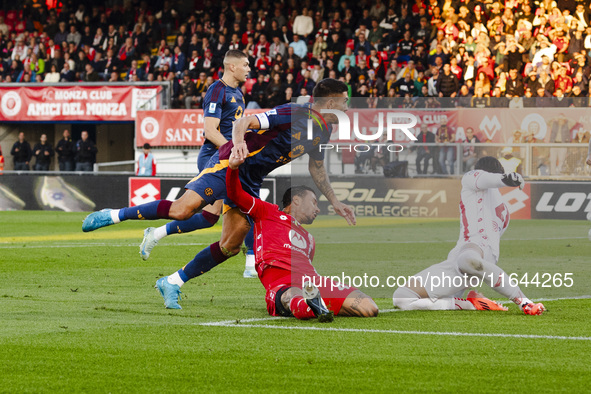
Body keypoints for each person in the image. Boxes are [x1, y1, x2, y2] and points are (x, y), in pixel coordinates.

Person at [82, 79, 355, 310]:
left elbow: (317, 167)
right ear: (330, 104)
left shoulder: (323, 130)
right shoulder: (297, 112)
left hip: (251, 178)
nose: (347, 107)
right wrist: (237, 147)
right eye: (344, 102)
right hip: (229, 164)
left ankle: (172, 282)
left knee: (230, 245)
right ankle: (114, 215)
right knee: (182, 210)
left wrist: (335, 201)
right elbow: (245, 122)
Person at [138, 50, 257, 277]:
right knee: (247, 202)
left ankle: (156, 233)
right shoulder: (217, 90)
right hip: (214, 157)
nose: (249, 68)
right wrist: (233, 152)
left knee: (208, 218)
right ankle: (251, 262)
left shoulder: (238, 94)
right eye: (245, 64)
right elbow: (210, 131)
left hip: (226, 157)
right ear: (232, 66)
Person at [225, 151, 378, 321]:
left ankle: (314, 304)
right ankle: (310, 305)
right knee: (292, 295)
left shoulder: (310, 239)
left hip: (313, 282)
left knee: (369, 308)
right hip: (282, 283)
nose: (317, 209)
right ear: (296, 200)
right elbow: (235, 195)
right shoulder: (267, 211)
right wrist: (233, 168)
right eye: (314, 202)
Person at [393, 157, 546, 315]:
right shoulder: (504, 208)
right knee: (402, 298)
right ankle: (469, 303)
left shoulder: (471, 178)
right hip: (469, 261)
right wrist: (505, 178)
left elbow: (484, 177)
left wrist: (506, 178)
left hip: (472, 251)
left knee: (466, 260)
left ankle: (525, 302)